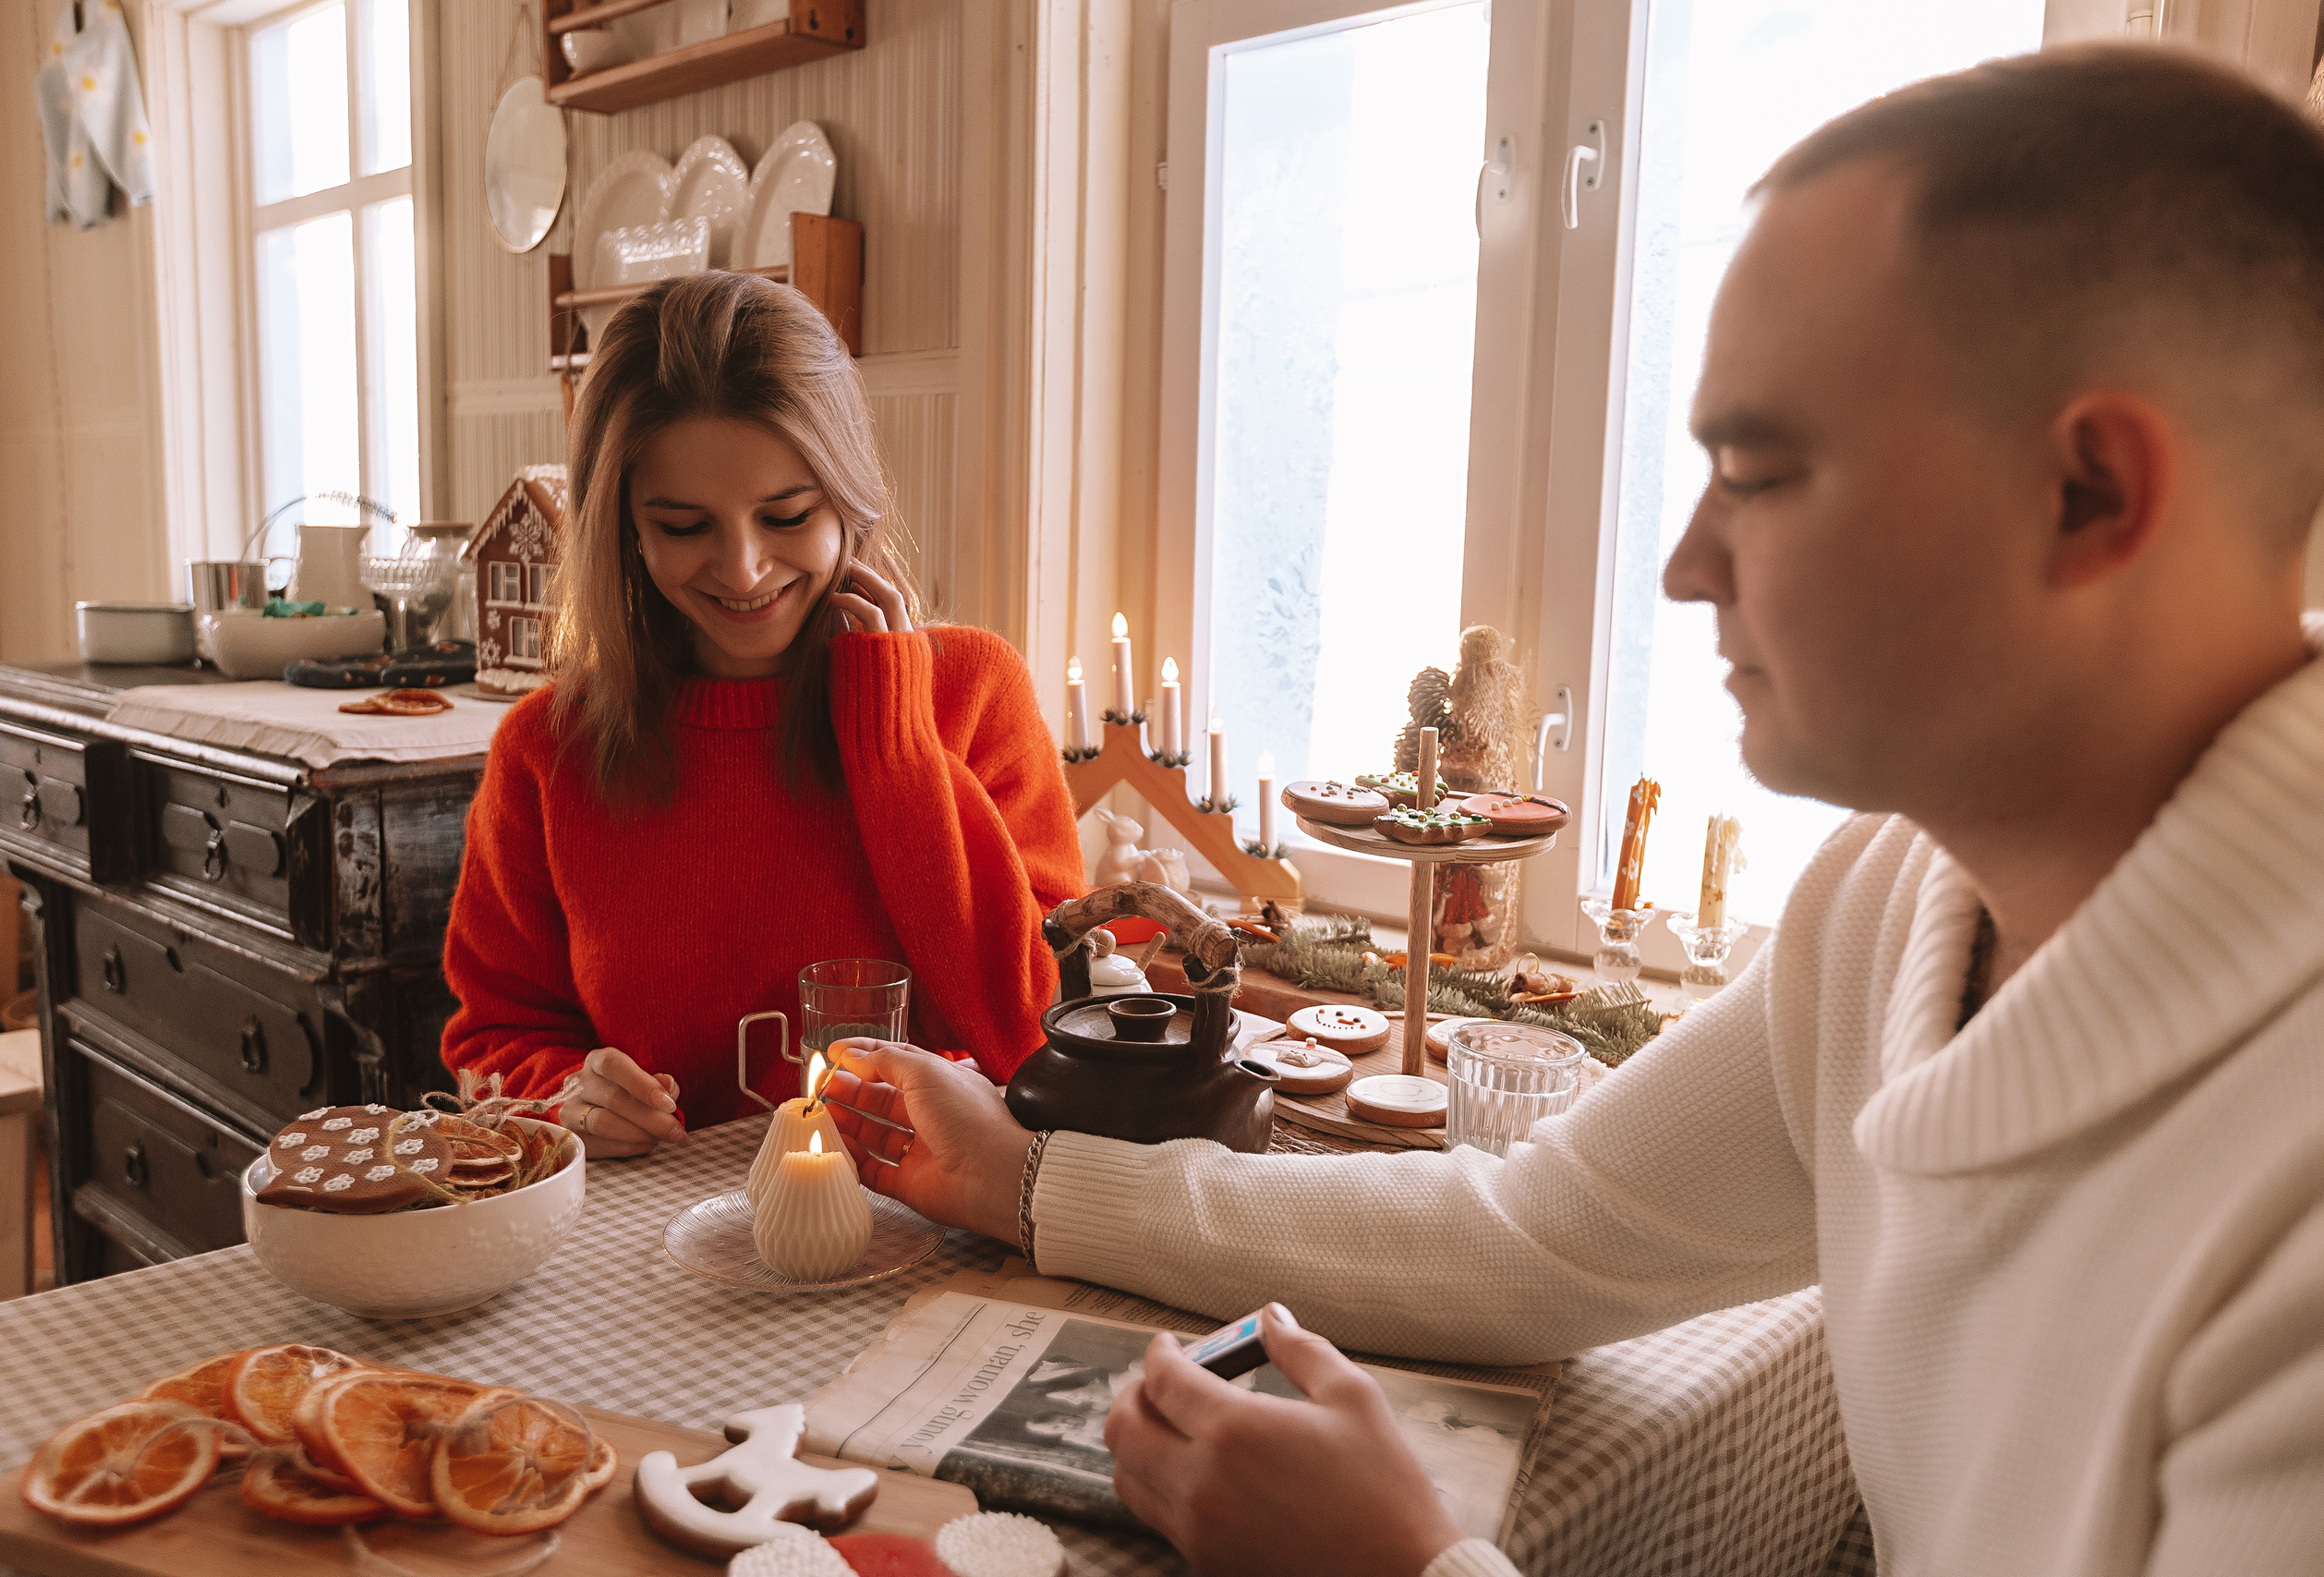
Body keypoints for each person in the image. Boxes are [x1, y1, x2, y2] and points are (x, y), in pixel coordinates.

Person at [821, 43, 2324, 1576]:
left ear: (2090, 494)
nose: (1682, 562)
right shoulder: (1888, 901)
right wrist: (1024, 1178)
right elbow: (1540, 1232)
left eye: (1757, 466)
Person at [440, 272, 1084, 1157]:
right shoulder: (548, 751)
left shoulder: (972, 691)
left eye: (786, 514)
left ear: (848, 502)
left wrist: (895, 750)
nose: (742, 570)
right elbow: (492, 1039)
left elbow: (1041, 1033)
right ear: (624, 525)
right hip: (652, 1255)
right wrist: (567, 1098)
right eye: (682, 525)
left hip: (928, 1237)